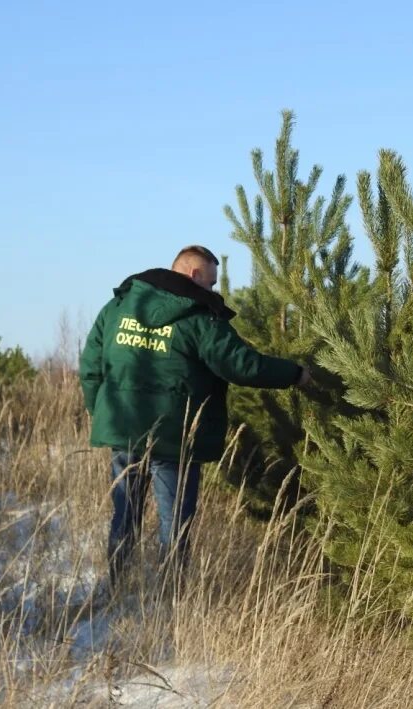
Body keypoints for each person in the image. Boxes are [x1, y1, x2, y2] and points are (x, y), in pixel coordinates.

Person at [79, 245, 311, 589]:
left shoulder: (116, 309)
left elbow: (90, 367)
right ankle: (169, 598)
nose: (213, 291)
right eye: (212, 283)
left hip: (124, 432)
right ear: (193, 275)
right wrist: (295, 374)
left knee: (125, 516)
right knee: (175, 525)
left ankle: (117, 587)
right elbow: (242, 366)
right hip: (176, 441)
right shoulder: (199, 319)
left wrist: (103, 412)